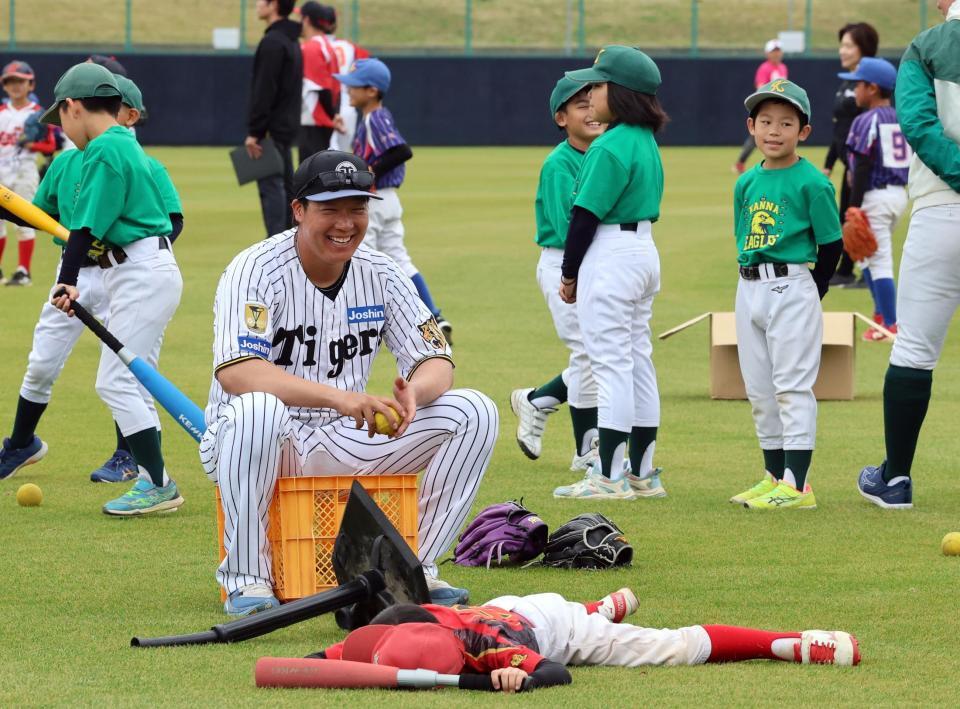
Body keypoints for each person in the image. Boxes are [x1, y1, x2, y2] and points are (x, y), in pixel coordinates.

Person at [199, 150, 498, 615]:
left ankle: (416, 568)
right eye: (330, 208)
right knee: (259, 409)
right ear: (298, 211)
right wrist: (340, 398)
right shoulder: (254, 270)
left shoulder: (381, 272)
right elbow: (239, 372)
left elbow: (437, 358)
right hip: (253, 440)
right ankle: (247, 579)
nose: (346, 223)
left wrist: (412, 396)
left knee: (474, 411)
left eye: (357, 208)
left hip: (341, 440)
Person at [0, 73, 185, 487]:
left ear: (73, 108)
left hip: (133, 268)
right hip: (105, 270)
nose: (59, 128)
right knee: (91, 371)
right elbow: (39, 215)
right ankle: (25, 444)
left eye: (59, 116)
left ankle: (150, 476)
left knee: (124, 377)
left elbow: (89, 227)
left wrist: (67, 278)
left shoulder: (113, 150)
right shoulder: (77, 159)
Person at [308, 591, 860, 693]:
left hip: (553, 628)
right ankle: (603, 606)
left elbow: (555, 673)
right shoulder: (382, 632)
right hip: (511, 600)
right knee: (572, 613)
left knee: (669, 646)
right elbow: (317, 659)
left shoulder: (495, 646)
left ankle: (790, 642)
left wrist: (507, 680)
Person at [551, 46, 668, 500]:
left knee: (611, 364)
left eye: (598, 85)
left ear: (619, 92)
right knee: (637, 360)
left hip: (612, 253)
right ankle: (641, 472)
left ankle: (608, 476)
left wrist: (568, 273)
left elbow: (583, 216)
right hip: (642, 249)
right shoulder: (643, 139)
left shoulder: (610, 145)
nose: (592, 92)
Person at [857, 0, 960, 510]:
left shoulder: (926, 46)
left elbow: (919, 126)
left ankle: (895, 479)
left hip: (942, 211)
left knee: (915, 349)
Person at [729, 80, 843, 511]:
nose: (774, 131)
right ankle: (773, 476)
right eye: (765, 122)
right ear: (751, 127)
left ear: (804, 132)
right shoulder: (746, 183)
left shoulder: (812, 182)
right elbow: (742, 235)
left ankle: (797, 486)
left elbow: (831, 244)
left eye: (786, 123)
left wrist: (814, 288)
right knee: (759, 390)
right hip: (749, 284)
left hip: (792, 283)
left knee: (791, 387)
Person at [510, 76, 611, 478]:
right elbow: (565, 224)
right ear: (560, 117)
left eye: (594, 101)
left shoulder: (604, 154)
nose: (590, 111)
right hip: (562, 263)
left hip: (596, 261)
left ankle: (539, 401)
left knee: (596, 352)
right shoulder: (559, 164)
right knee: (589, 351)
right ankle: (585, 449)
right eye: (579, 105)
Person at [334, 58, 453, 342]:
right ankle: (434, 317)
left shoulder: (376, 117)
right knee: (398, 260)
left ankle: (365, 326)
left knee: (362, 261)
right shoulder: (370, 118)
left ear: (372, 91)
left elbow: (401, 151)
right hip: (388, 199)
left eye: (353, 86)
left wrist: (370, 171)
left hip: (374, 201)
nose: (348, 91)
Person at [839, 58, 910, 343]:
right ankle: (880, 316)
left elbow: (864, 164)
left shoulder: (866, 119)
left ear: (872, 88)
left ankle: (890, 325)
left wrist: (852, 207)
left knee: (877, 260)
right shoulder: (900, 116)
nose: (854, 89)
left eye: (858, 84)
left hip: (875, 195)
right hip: (898, 194)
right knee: (865, 256)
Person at [825, 22, 879, 288]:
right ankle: (846, 270)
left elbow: (863, 129)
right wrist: (829, 163)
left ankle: (858, 271)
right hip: (849, 162)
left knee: (856, 214)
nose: (842, 50)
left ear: (863, 49)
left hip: (862, 163)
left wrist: (854, 165)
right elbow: (841, 129)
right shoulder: (846, 80)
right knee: (845, 213)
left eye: (848, 45)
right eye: (842, 45)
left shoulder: (869, 84)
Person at [245, 0, 303, 235]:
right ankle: (291, 245)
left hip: (269, 131)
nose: (256, 4)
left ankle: (276, 247)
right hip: (286, 127)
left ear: (274, 5)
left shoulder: (272, 42)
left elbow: (264, 90)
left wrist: (255, 132)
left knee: (271, 189)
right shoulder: (292, 40)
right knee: (287, 189)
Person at [0, 60, 56, 286]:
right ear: (4, 85)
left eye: (21, 82)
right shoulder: (1, 112)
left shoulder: (38, 114)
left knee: (23, 221)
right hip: (1, 171)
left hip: (25, 170)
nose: (15, 86)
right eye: (11, 81)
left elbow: (51, 146)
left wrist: (33, 145)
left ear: (30, 85)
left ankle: (23, 271)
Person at [307, 3, 369, 153]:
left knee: (323, 159)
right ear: (334, 24)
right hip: (348, 106)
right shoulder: (349, 47)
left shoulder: (314, 46)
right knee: (341, 159)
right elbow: (367, 63)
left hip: (321, 108)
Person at [732, 39, 788, 174]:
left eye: (778, 51)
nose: (776, 54)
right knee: (756, 137)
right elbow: (760, 88)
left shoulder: (782, 68)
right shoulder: (765, 68)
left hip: (780, 108)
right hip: (767, 107)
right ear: (767, 53)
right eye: (773, 51)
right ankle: (740, 162)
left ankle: (780, 163)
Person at [298, 1, 340, 164]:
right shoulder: (327, 46)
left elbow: (321, 88)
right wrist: (334, 115)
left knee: (309, 178)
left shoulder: (311, 48)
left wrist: (332, 116)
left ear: (306, 20)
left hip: (314, 120)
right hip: (321, 121)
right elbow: (336, 87)